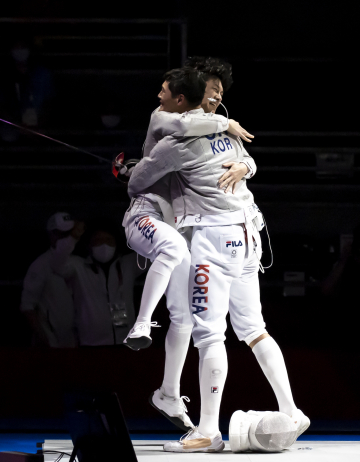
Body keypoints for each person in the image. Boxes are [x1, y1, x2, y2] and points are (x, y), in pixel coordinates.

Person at [128, 57, 308, 453]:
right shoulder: (227, 131)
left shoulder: (176, 142)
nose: (216, 98)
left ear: (180, 99)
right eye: (211, 92)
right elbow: (245, 154)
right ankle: (292, 410)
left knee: (209, 333)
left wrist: (134, 168)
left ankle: (208, 430)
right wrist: (243, 162)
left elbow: (137, 182)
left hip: (214, 236)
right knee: (253, 328)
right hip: (250, 236)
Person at [118, 66, 253, 430]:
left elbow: (243, 159)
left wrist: (243, 165)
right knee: (175, 248)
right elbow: (178, 135)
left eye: (219, 92)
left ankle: (168, 393)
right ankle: (142, 324)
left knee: (186, 317)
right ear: (190, 97)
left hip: (176, 226)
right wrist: (226, 124)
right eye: (210, 91)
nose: (216, 99)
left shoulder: (205, 131)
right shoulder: (168, 123)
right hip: (148, 214)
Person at [51, 227, 146, 346]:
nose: (104, 244)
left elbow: (157, 251)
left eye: (108, 240)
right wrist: (72, 238)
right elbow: (57, 263)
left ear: (116, 243)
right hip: (91, 343)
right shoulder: (78, 266)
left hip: (126, 342)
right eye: (98, 240)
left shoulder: (128, 264)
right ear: (88, 245)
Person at [20, 212, 79, 348]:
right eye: (60, 233)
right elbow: (27, 306)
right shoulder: (40, 265)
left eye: (68, 233)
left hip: (79, 342)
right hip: (52, 344)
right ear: (51, 235)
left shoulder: (82, 263)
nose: (65, 238)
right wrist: (44, 338)